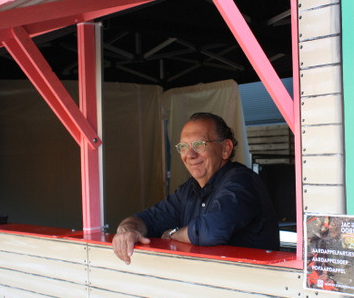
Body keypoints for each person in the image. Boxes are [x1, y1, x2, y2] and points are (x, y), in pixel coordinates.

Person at [112, 112, 280, 264]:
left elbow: (210, 231)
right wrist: (127, 230)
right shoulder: (189, 189)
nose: (190, 155)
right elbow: (148, 219)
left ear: (226, 149)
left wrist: (173, 234)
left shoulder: (242, 181)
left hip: (250, 284)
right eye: (183, 147)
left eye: (199, 144)